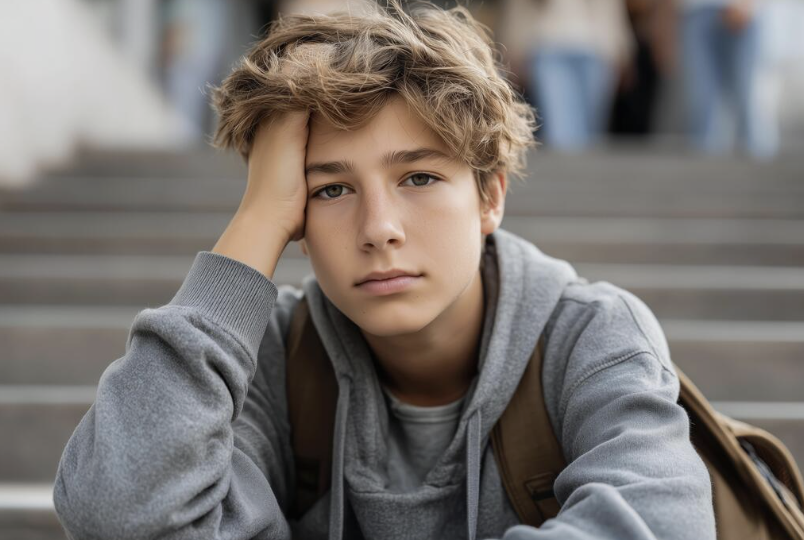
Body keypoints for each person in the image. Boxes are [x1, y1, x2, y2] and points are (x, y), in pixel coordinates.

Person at [53, 2, 716, 539]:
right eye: (330, 190)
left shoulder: (590, 335)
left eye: (419, 177)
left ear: (490, 197)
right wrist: (255, 221)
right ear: (296, 225)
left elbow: (664, 524)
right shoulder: (273, 359)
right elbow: (118, 513)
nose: (379, 229)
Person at [497, 0, 634, 151]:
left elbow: (611, 7)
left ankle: (585, 173)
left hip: (596, 47)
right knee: (560, 133)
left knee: (591, 134)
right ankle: (567, 172)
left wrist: (623, 49)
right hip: (548, 43)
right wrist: (512, 47)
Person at [678, 0, 779, 158]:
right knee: (701, 94)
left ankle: (756, 154)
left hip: (743, 11)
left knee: (747, 93)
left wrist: (747, 4)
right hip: (695, 11)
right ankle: (703, 158)